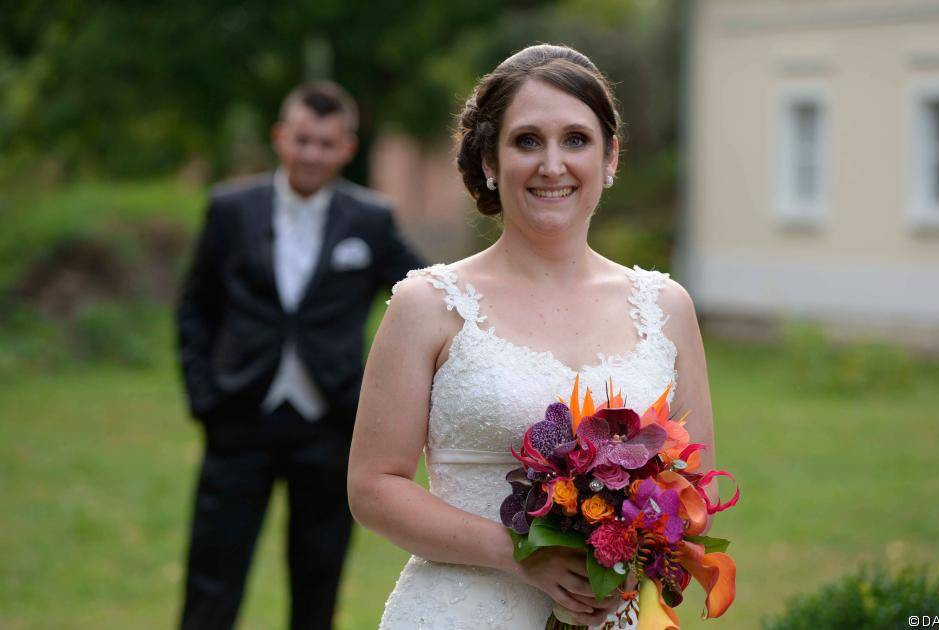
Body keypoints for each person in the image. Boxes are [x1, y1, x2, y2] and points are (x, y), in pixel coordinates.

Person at [347, 44, 719, 629]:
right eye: (527, 141)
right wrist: (523, 553)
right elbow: (373, 487)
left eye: (576, 140)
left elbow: (693, 500)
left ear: (611, 156)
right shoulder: (429, 305)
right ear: (490, 161)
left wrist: (626, 551)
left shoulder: (666, 308)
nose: (552, 165)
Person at [176, 80, 425, 630]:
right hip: (239, 414)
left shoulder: (370, 220)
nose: (312, 153)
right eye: (302, 139)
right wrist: (204, 397)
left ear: (347, 148)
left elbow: (425, 293)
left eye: (325, 143)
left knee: (319, 578)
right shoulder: (230, 209)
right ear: (280, 138)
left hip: (331, 424)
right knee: (213, 573)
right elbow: (195, 308)